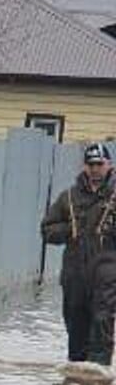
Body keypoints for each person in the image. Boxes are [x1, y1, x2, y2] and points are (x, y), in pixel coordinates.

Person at [41, 141, 116, 365]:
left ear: (109, 164)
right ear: (84, 166)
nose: (95, 169)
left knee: (102, 324)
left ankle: (97, 384)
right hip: (74, 274)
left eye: (99, 164)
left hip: (107, 275)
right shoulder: (69, 197)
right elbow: (46, 229)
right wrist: (68, 231)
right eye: (90, 164)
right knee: (75, 329)